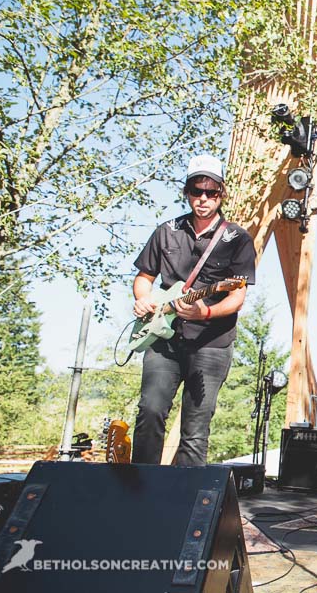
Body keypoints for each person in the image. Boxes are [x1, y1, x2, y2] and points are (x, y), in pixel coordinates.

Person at [130, 154, 256, 466]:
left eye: (211, 192)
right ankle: (138, 494)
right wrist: (143, 298)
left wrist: (206, 314)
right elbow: (144, 277)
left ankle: (180, 506)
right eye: (196, 191)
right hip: (164, 338)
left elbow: (237, 296)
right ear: (186, 192)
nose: (203, 198)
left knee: (195, 430)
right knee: (149, 410)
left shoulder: (237, 238)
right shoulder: (166, 230)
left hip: (211, 344)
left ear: (221, 193)